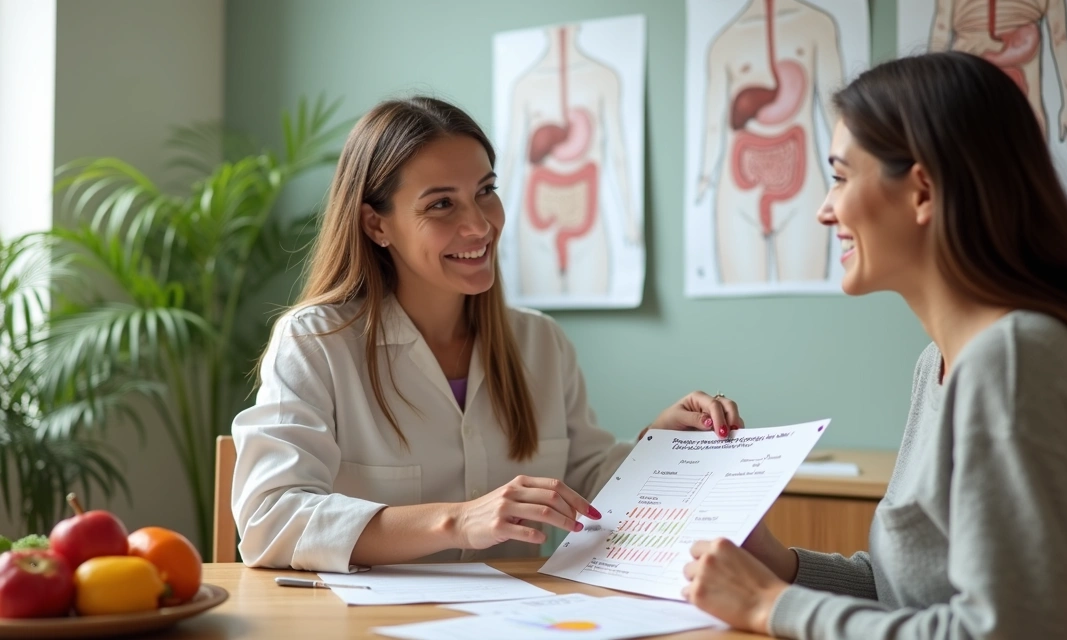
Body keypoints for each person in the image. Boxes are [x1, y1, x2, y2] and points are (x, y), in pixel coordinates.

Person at [681, 51, 1067, 638]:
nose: (825, 210)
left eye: (842, 177)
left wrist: (772, 607)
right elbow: (912, 592)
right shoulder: (945, 364)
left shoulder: (1014, 363)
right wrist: (776, 566)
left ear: (923, 191)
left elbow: (998, 630)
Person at [230, 96, 743, 573]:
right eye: (441, 205)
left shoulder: (542, 344)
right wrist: (458, 521)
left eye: (485, 192)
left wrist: (663, 446)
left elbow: (588, 486)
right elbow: (268, 520)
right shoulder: (316, 343)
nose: (479, 225)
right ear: (376, 225)